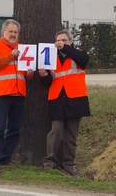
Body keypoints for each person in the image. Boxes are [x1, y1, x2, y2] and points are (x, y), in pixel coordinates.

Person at [38, 29, 91, 176]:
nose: (60, 42)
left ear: (70, 41)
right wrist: (43, 76)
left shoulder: (78, 54)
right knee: (56, 131)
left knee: (71, 136)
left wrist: (65, 48)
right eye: (58, 40)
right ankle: (49, 161)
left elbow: (84, 60)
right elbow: (48, 81)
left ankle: (69, 165)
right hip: (57, 99)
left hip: (75, 99)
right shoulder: (50, 57)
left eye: (63, 40)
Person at [0, 19, 34, 172]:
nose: (13, 34)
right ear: (3, 32)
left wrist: (29, 74)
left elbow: (25, 73)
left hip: (19, 93)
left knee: (14, 129)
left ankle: (5, 158)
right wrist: (11, 56)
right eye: (10, 32)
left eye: (15, 32)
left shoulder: (23, 48)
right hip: (2, 93)